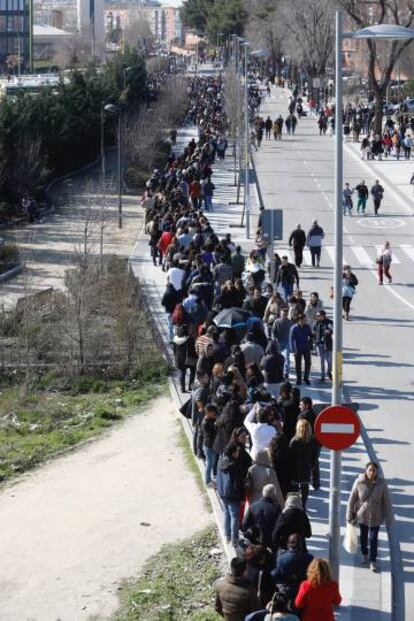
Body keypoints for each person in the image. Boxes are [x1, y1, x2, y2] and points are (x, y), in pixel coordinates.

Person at [346, 461, 392, 572]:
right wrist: (349, 514)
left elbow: (386, 501)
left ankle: (373, 561)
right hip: (362, 515)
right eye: (370, 470)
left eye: (374, 470)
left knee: (373, 539)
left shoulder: (381, 484)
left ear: (377, 472)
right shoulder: (359, 482)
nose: (371, 472)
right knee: (363, 536)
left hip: (376, 516)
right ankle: (364, 553)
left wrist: (388, 518)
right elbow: (352, 499)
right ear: (366, 471)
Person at [216, 431, 252, 546]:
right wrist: (242, 498)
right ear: (234, 453)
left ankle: (227, 536)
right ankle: (234, 539)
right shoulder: (235, 466)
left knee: (226, 514)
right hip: (232, 495)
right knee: (235, 516)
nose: (239, 453)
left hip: (223, 492)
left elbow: (219, 478)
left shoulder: (222, 460)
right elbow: (238, 484)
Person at [272, 533, 314, 605]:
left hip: (287, 595)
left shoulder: (281, 559)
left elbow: (274, 576)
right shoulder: (310, 558)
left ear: (288, 544)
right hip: (305, 595)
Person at [243, 483, 284, 549]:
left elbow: (245, 524)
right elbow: (279, 526)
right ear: (274, 494)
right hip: (270, 542)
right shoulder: (276, 508)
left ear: (263, 493)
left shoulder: (253, 506)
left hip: (255, 540)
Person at [289, 419, 316, 509]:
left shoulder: (295, 441)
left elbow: (290, 456)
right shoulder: (311, 440)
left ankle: (296, 505)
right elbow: (314, 455)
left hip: (295, 468)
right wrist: (313, 466)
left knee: (295, 488)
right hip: (306, 467)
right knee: (305, 487)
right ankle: (304, 505)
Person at [173, 325, 197, 393]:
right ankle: (190, 386)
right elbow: (193, 350)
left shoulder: (175, 339)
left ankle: (182, 389)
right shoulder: (189, 339)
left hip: (179, 359)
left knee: (182, 373)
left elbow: (174, 350)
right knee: (193, 372)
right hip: (189, 359)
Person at [290, 315, 312, 386]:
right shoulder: (294, 328)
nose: (306, 321)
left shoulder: (307, 327)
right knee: (298, 365)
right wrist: (293, 350)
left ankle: (306, 378)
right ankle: (298, 379)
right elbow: (291, 339)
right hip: (298, 348)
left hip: (306, 348)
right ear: (300, 320)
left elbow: (310, 335)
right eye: (305, 320)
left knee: (308, 363)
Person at [201, 403, 218, 487]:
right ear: (207, 412)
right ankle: (207, 482)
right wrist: (216, 425)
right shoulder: (205, 423)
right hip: (209, 447)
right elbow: (211, 434)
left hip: (212, 446)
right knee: (209, 464)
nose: (214, 413)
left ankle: (210, 480)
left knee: (212, 463)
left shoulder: (211, 419)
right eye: (212, 412)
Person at [314, 310, 333, 382]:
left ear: (323, 316)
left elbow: (332, 329)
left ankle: (329, 372)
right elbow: (313, 331)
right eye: (317, 316)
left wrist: (330, 331)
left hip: (327, 344)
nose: (317, 317)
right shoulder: (316, 323)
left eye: (318, 316)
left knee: (329, 360)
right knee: (322, 360)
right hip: (319, 344)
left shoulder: (329, 322)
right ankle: (322, 376)